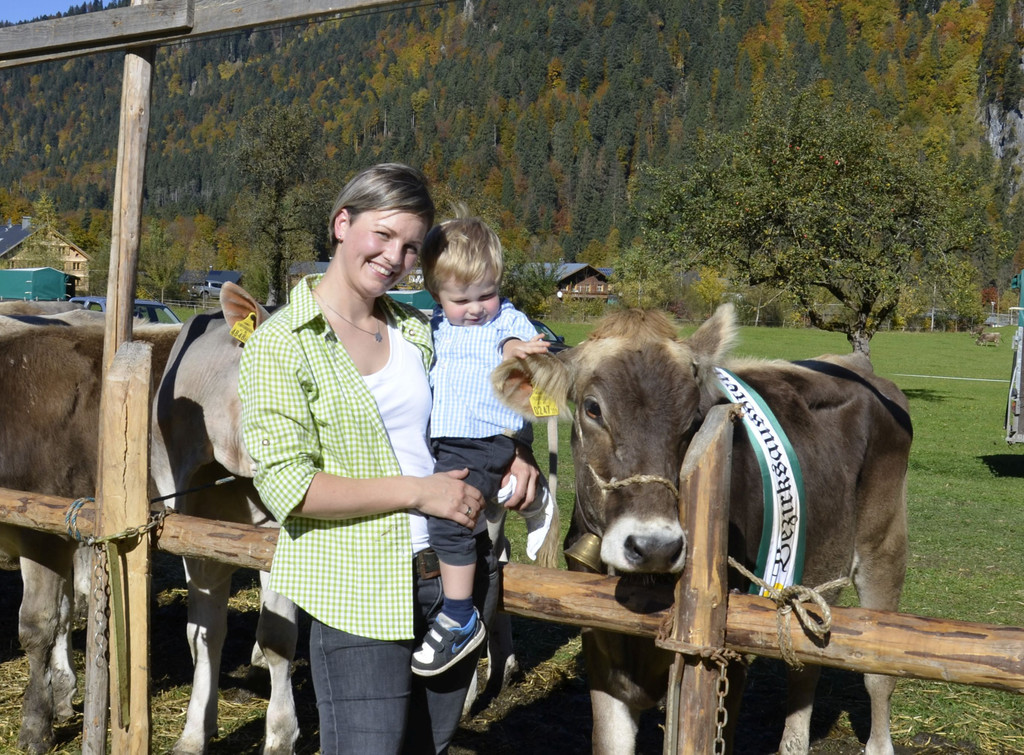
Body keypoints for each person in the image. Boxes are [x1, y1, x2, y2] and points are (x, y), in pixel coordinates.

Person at [238, 163, 542, 754]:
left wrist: (519, 449)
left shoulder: (420, 328)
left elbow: (482, 395)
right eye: (383, 235)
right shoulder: (281, 342)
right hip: (357, 587)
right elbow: (287, 488)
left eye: (409, 247)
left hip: (453, 577)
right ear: (342, 224)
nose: (394, 258)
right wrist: (419, 491)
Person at [411, 213, 554, 677]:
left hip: (483, 438)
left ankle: (459, 616)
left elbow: (513, 336)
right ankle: (528, 500)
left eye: (486, 294)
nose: (475, 308)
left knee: (449, 521)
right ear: (436, 293)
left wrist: (513, 346)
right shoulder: (435, 324)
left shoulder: (504, 320)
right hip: (448, 441)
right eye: (461, 299)